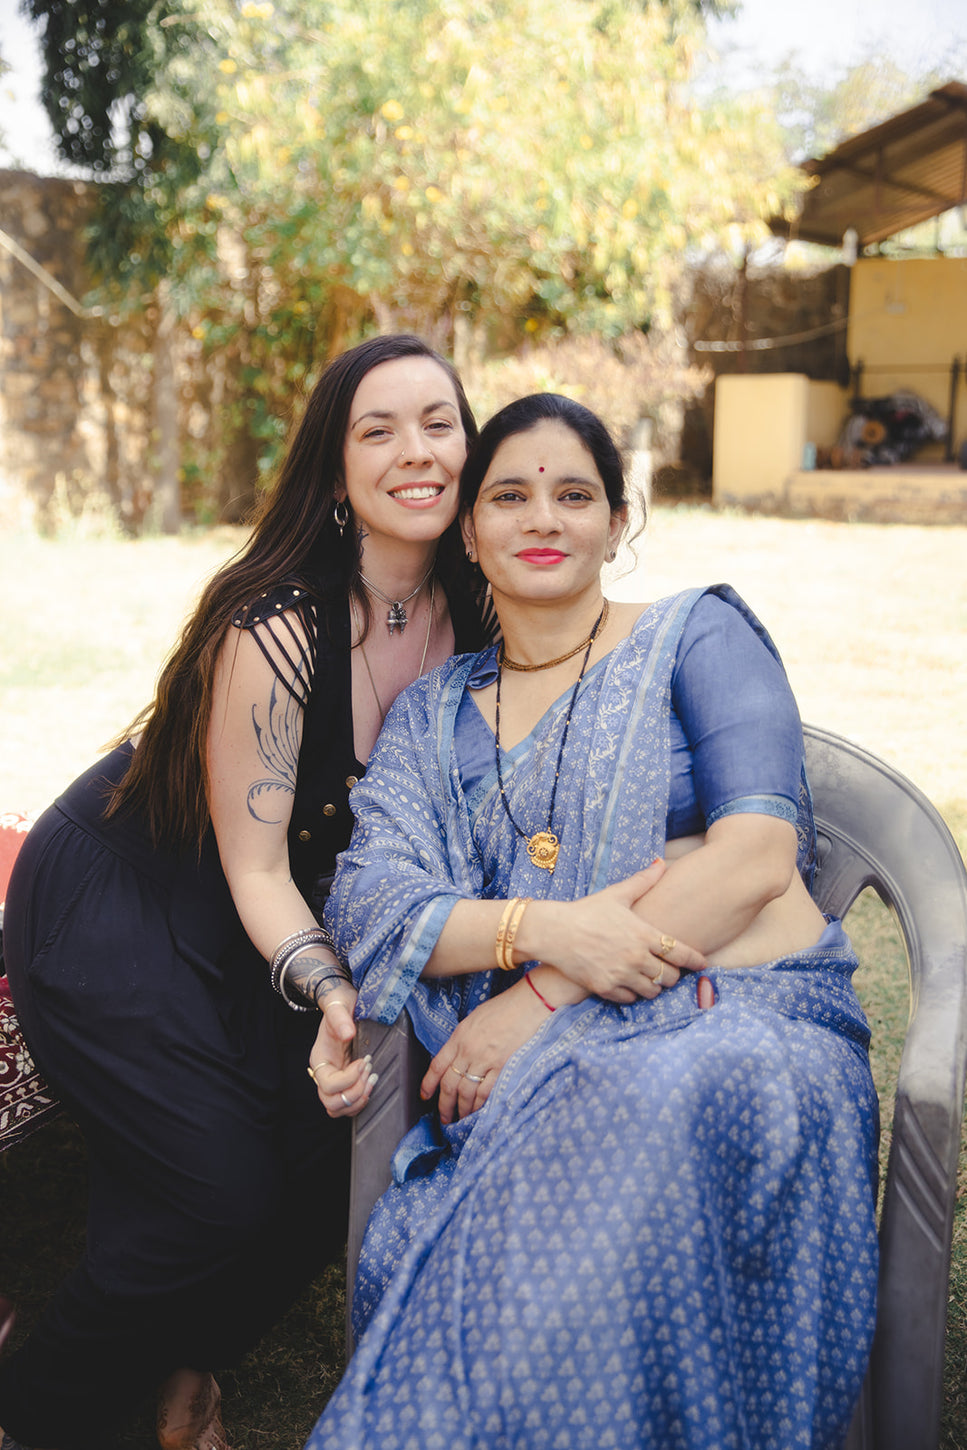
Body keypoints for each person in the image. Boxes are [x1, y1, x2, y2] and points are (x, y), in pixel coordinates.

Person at [305, 393, 880, 1450]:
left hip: (743, 1019)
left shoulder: (696, 633)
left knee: (659, 1092)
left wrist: (539, 990)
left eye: (574, 495)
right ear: (468, 531)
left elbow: (755, 857)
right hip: (548, 1066)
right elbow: (378, 900)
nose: (543, 519)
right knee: (591, 1139)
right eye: (509, 495)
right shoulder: (432, 716)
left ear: (620, 521)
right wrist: (549, 930)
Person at [0, 334, 493, 1450]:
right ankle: (31, 1413)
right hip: (125, 899)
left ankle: (189, 1362)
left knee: (337, 1144)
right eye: (378, 429)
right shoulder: (275, 620)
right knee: (218, 1186)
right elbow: (257, 861)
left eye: (439, 422)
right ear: (333, 471)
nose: (415, 450)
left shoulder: (477, 614)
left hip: (260, 923)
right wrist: (328, 987)